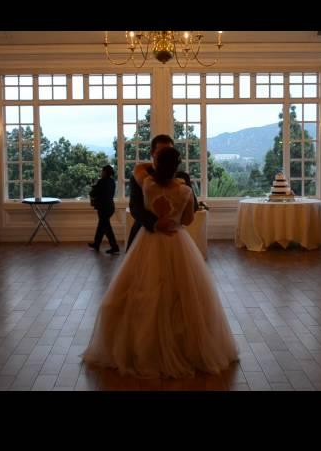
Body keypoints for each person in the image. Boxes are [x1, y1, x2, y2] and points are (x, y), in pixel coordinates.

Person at [83, 146, 238, 378]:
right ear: (177, 167)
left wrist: (154, 165)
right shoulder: (185, 191)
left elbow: (139, 170)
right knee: (184, 293)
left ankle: (142, 348)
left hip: (149, 241)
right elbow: (187, 219)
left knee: (144, 288)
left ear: (156, 163)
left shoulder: (148, 185)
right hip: (177, 241)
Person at [126, 134, 175, 251]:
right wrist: (155, 223)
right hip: (144, 231)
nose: (165, 157)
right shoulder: (138, 176)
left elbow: (193, 205)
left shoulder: (182, 176)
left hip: (173, 234)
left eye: (168, 153)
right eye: (161, 153)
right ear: (152, 153)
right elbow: (135, 207)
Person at [88, 164, 120, 254]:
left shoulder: (101, 181)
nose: (101, 172)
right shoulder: (112, 182)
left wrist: (93, 187)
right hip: (110, 207)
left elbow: (93, 193)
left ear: (105, 172)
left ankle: (114, 247)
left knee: (106, 228)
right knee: (102, 226)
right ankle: (96, 244)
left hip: (103, 208)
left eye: (102, 171)